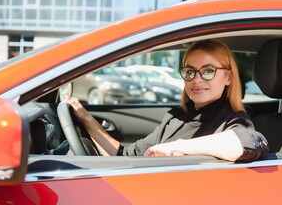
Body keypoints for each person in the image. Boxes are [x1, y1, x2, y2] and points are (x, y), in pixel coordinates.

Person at [67, 39, 269, 162]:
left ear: (228, 78)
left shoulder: (233, 120)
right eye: (190, 71)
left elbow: (249, 143)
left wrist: (176, 146)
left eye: (208, 71)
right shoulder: (177, 117)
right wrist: (86, 120)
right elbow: (126, 156)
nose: (196, 79)